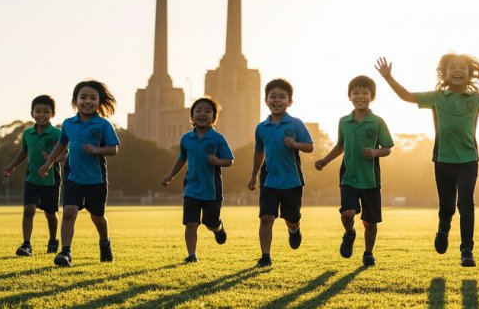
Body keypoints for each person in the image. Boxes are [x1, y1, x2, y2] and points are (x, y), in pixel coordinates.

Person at [375, 54, 479, 267]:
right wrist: (388, 77)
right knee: (447, 207)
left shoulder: (476, 99)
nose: (457, 71)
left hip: (468, 160)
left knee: (466, 203)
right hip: (443, 160)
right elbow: (407, 96)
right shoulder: (436, 97)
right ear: (445, 74)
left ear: (469, 73)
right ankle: (443, 229)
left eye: (462, 67)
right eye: (452, 67)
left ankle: (466, 250)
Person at [315, 75, 394, 268]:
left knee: (370, 222)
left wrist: (375, 152)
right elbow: (340, 145)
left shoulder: (377, 122)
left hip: (371, 181)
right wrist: (325, 160)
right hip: (348, 178)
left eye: (365, 93)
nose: (360, 96)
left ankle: (368, 253)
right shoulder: (344, 121)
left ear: (372, 97)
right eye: (356, 93)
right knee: (347, 214)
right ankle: (349, 234)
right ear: (349, 96)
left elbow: (387, 148)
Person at [39, 80, 120, 267]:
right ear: (75, 101)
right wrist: (49, 162)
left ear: (99, 102)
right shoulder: (68, 124)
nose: (87, 101)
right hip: (72, 177)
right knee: (68, 212)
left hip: (96, 179)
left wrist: (96, 150)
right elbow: (61, 145)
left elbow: (113, 149)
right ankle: (66, 253)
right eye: (83, 97)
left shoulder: (103, 125)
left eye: (93, 98)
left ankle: (104, 243)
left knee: (97, 217)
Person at [248, 78, 314, 268]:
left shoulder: (295, 124)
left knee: (291, 219)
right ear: (266, 100)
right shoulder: (261, 128)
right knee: (266, 217)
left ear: (290, 102)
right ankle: (265, 256)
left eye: (282, 97)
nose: (277, 100)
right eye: (273, 97)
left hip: (292, 181)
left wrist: (295, 145)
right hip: (269, 181)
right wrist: (253, 175)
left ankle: (294, 230)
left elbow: (310, 147)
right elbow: (259, 152)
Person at [161, 97, 234, 263]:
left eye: (208, 111)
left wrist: (218, 161)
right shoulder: (186, 139)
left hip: (212, 190)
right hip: (191, 189)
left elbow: (229, 160)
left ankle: (218, 227)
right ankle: (192, 255)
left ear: (214, 117)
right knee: (191, 223)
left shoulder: (218, 138)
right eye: (198, 110)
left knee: (210, 222)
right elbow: (181, 159)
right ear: (192, 116)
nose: (203, 114)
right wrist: (170, 176)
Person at [2, 95, 64, 257]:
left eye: (46, 111)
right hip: (32, 179)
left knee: (50, 214)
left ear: (53, 114)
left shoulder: (57, 133)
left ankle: (52, 240)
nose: (41, 114)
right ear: (32, 113)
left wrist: (51, 159)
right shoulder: (27, 133)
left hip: (51, 180)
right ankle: (26, 244)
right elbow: (24, 152)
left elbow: (65, 155)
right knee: (29, 209)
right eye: (38, 111)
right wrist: (11, 166)